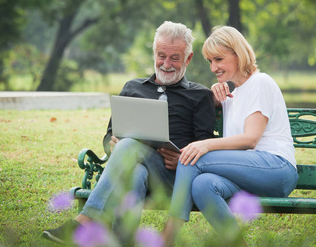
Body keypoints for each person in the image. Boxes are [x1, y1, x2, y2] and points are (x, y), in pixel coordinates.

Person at [42, 21, 216, 244]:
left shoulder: (200, 96)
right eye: (161, 55)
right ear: (154, 53)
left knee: (129, 146)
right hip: (131, 170)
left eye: (175, 57)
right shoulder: (133, 88)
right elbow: (109, 136)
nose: (166, 64)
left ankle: (85, 220)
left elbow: (207, 147)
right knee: (135, 170)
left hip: (173, 177)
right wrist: (113, 146)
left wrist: (184, 157)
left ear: (188, 58)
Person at [161, 26, 299, 246]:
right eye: (209, 61)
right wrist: (214, 98)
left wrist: (205, 145)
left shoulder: (260, 82)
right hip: (246, 174)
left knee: (193, 155)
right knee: (202, 185)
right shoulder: (231, 93)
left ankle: (167, 237)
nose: (214, 67)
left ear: (238, 54)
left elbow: (250, 139)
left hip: (276, 169)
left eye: (218, 59)